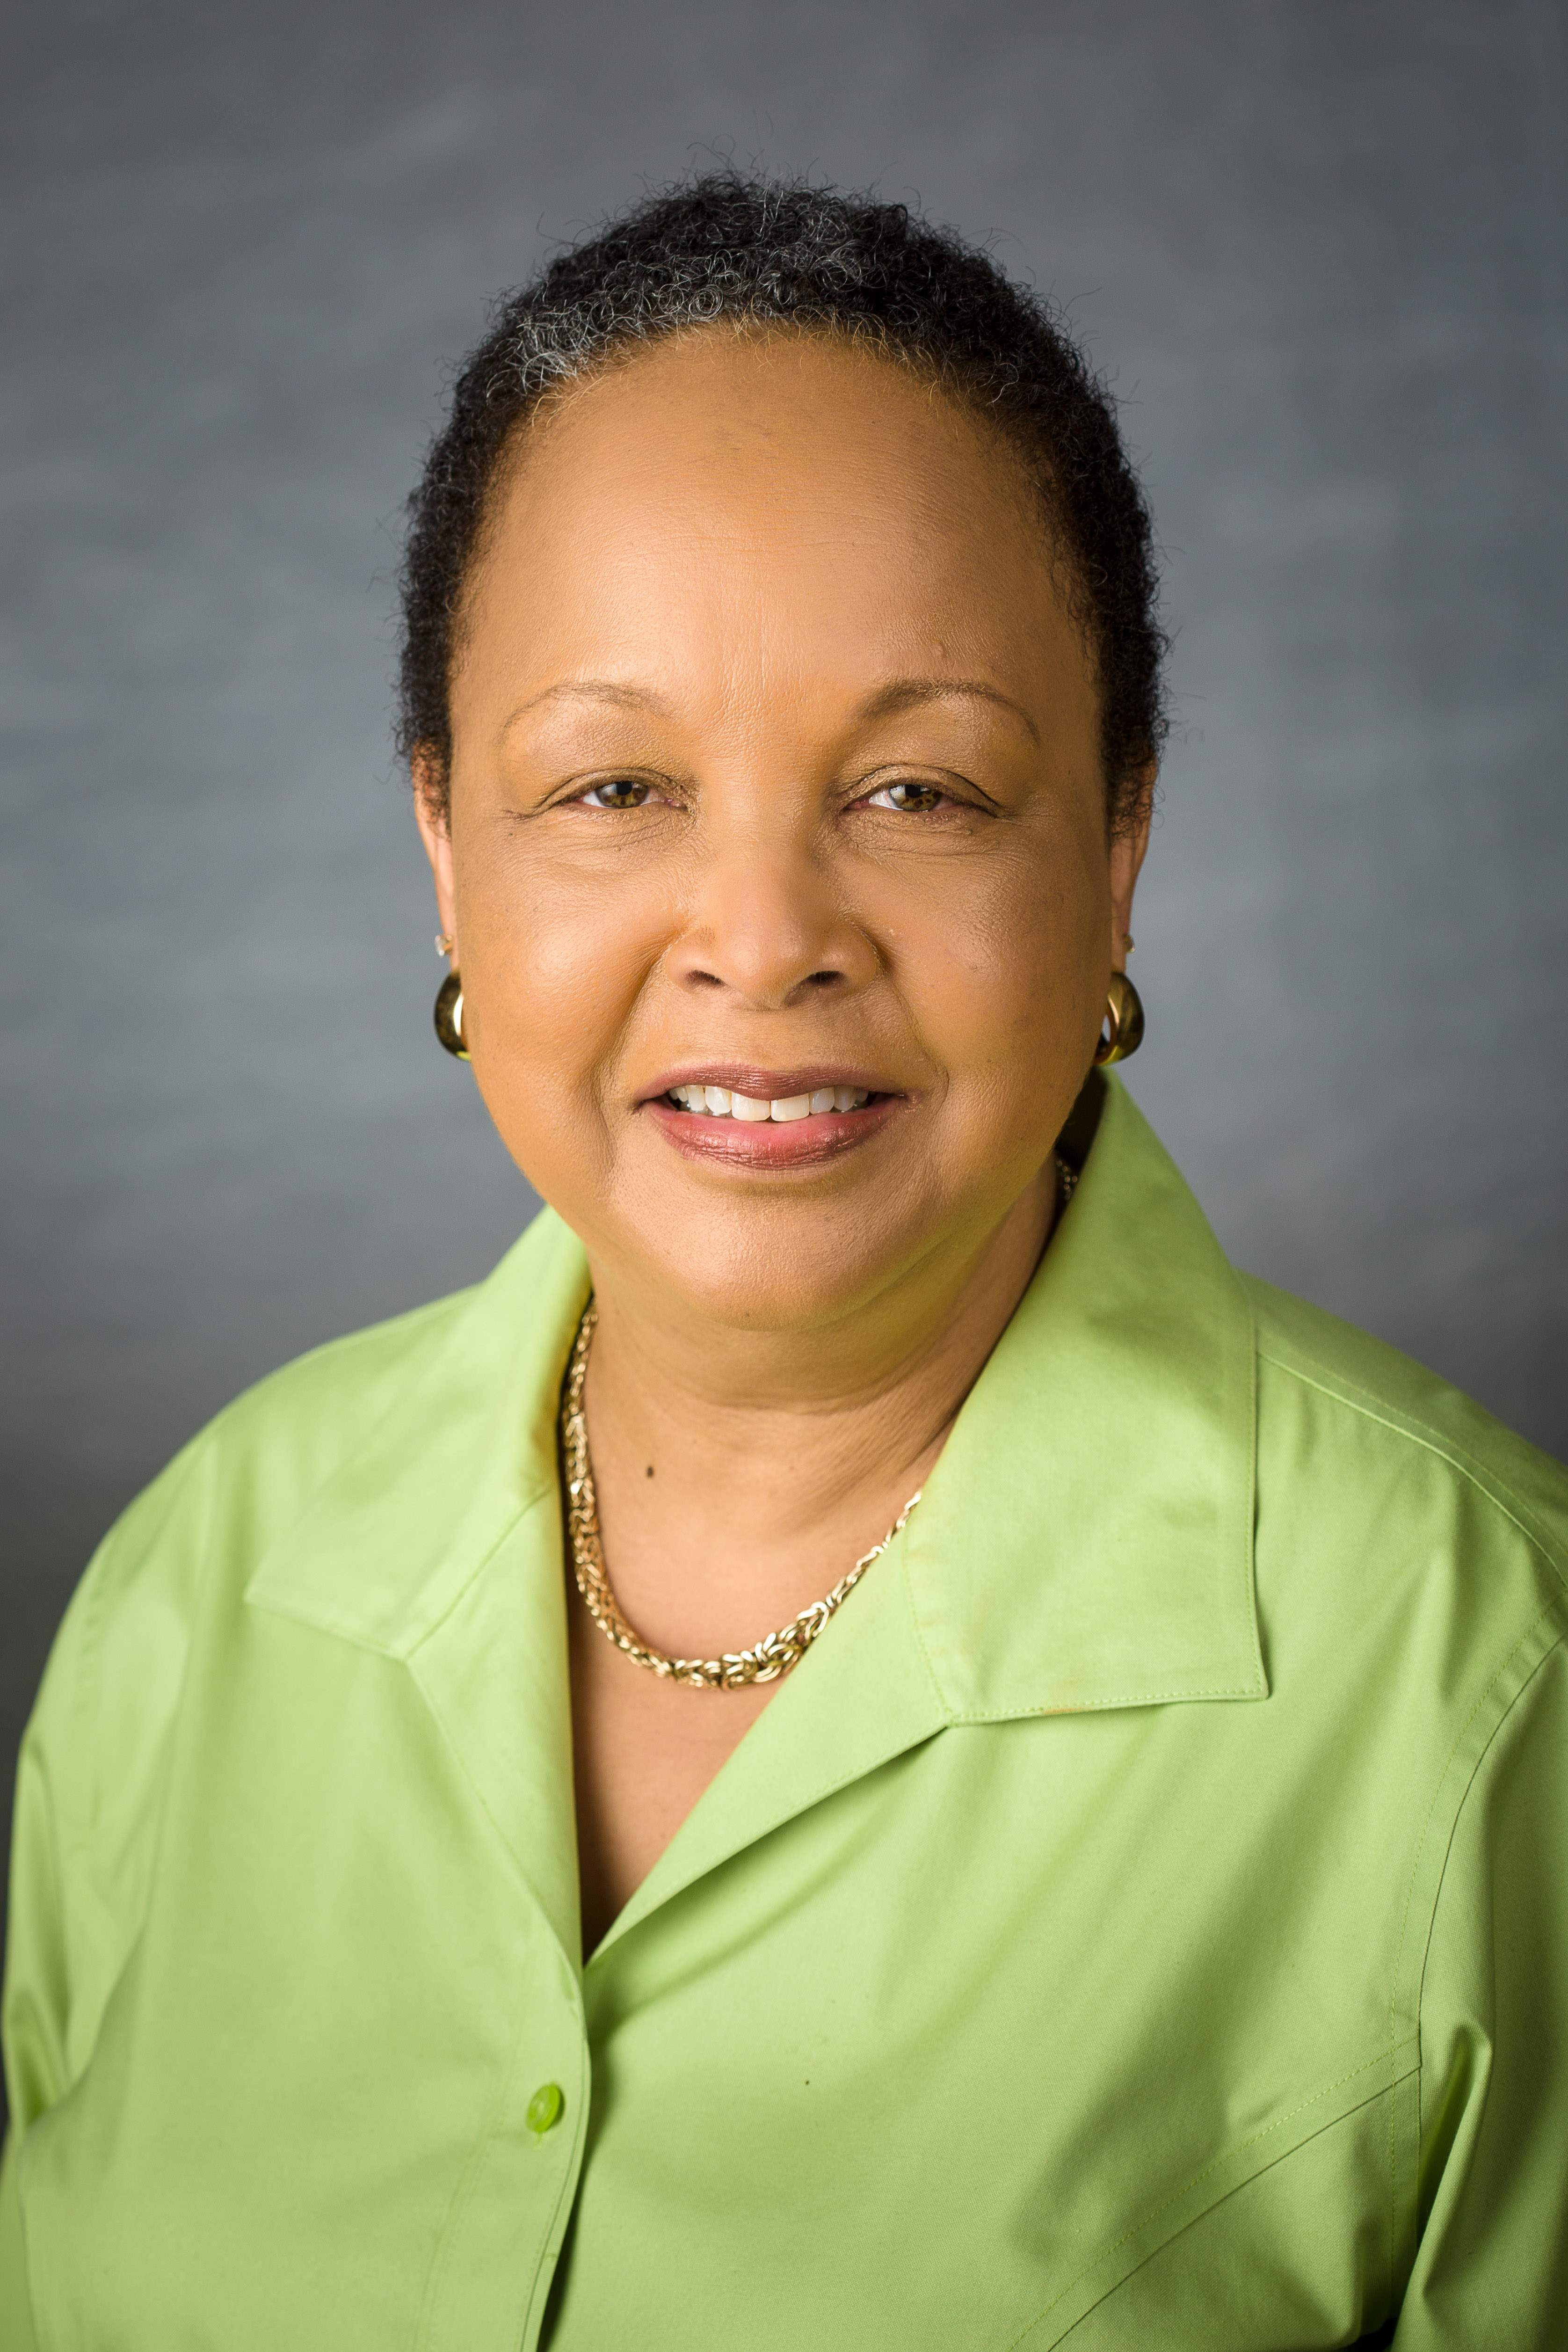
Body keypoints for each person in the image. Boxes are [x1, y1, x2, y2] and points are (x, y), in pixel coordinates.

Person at [2, 173, 1564, 2352]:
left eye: (920, 791)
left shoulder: (1494, 1701)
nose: (759, 937)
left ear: (1118, 847)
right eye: (614, 787)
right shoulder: (200, 1590)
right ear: (444, 849)